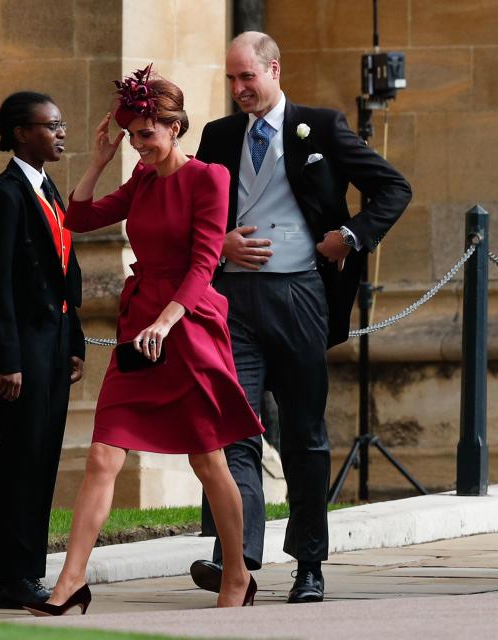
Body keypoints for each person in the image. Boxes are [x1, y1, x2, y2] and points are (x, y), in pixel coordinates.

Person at [23, 66, 263, 617]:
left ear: (175, 127)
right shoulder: (140, 181)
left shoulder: (210, 178)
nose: (138, 144)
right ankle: (71, 582)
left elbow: (205, 261)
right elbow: (76, 218)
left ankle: (237, 573)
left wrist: (167, 321)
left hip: (189, 325)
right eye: (132, 135)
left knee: (208, 460)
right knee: (104, 454)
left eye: (147, 134)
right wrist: (99, 162)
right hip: (140, 328)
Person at [190, 31, 412, 603]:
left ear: (274, 70)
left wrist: (349, 236)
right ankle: (235, 559)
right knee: (232, 428)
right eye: (232, 79)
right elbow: (191, 214)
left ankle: (309, 563)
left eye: (248, 77)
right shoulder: (217, 136)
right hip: (233, 303)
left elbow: (393, 187)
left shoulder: (323, 126)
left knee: (305, 437)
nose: (239, 89)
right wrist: (219, 248)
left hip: (301, 296)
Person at [0, 91, 86, 609]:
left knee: (42, 459)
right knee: (18, 460)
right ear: (21, 133)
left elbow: (65, 275)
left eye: (61, 126)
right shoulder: (3, 194)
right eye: (51, 126)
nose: (61, 133)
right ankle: (12, 577)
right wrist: (8, 360)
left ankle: (29, 570)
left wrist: (76, 342)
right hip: (22, 351)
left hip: (54, 346)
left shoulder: (48, 189)